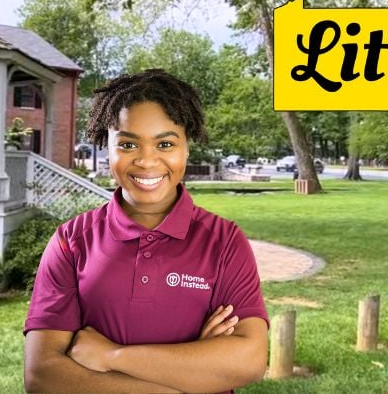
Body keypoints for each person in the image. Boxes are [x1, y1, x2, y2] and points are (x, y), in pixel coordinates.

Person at [23, 69, 269, 393]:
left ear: (186, 148)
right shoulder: (72, 242)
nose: (147, 161)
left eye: (165, 143)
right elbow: (43, 375)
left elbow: (249, 360)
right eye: (127, 144)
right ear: (106, 147)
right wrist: (195, 373)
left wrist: (111, 356)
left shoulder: (223, 242)